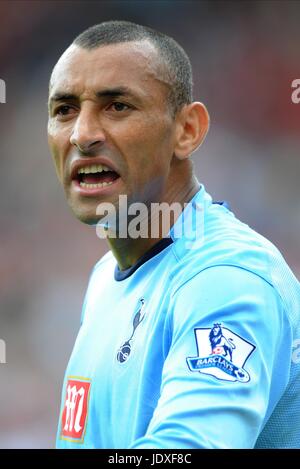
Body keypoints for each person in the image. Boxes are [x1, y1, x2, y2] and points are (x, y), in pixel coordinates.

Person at [47, 20, 300, 449]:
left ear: (187, 130)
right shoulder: (107, 275)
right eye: (65, 109)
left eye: (118, 106)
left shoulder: (225, 278)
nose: (82, 134)